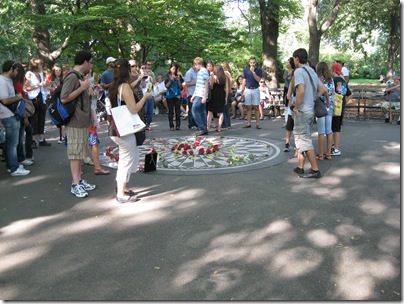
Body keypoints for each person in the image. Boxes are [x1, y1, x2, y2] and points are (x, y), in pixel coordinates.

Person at [108, 58, 152, 203]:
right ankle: (121, 193)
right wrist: (145, 97)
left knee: (125, 158)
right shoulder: (124, 87)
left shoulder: (115, 86)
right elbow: (134, 109)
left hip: (118, 128)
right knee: (126, 161)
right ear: (126, 70)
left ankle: (123, 188)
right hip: (124, 130)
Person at [60, 50, 96, 198]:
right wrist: (82, 88)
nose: (91, 65)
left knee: (80, 152)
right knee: (75, 153)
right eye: (91, 62)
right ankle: (75, 184)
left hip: (81, 121)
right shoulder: (72, 77)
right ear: (86, 62)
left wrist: (87, 91)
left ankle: (79, 181)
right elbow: (64, 98)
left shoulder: (79, 76)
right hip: (74, 121)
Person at [292, 48, 322, 178]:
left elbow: (301, 91)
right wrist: (313, 100)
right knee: (302, 138)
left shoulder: (298, 72)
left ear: (297, 58)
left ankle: (315, 170)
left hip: (302, 111)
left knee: (303, 140)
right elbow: (322, 89)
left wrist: (296, 107)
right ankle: (300, 167)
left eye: (294, 58)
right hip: (310, 110)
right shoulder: (312, 71)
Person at [0, 60, 30, 176]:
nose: (17, 72)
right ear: (11, 69)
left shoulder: (7, 80)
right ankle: (14, 168)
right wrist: (17, 98)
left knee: (10, 142)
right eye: (16, 70)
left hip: (11, 114)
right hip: (8, 115)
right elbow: (5, 100)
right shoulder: (2, 81)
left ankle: (11, 164)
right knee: (13, 143)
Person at [24, 58, 51, 148]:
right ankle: (33, 140)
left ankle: (41, 139)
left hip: (41, 98)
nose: (42, 66)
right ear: (35, 65)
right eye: (40, 64)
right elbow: (26, 88)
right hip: (33, 98)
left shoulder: (40, 74)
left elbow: (42, 87)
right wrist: (39, 85)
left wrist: (46, 88)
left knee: (41, 119)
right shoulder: (29, 74)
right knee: (34, 120)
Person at [13, 63, 34, 166]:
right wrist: (25, 116)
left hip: (19, 112)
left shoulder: (15, 83)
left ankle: (24, 156)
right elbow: (20, 100)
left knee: (22, 135)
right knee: (20, 137)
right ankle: (22, 157)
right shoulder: (16, 84)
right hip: (20, 113)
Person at [330, 62, 352, 156]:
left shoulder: (332, 81)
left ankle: (336, 148)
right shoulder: (342, 81)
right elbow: (350, 94)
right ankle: (336, 146)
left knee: (332, 128)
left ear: (333, 71)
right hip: (340, 107)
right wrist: (343, 102)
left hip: (333, 106)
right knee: (337, 127)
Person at [315, 62, 333, 161]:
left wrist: (318, 96)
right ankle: (329, 153)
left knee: (321, 131)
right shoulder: (331, 79)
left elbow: (324, 90)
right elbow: (331, 91)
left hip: (322, 105)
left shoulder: (319, 78)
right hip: (330, 106)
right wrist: (330, 102)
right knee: (329, 130)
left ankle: (321, 154)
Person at [241, 56, 263, 129]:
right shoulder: (246, 71)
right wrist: (242, 91)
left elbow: (258, 80)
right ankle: (248, 123)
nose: (252, 64)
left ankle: (258, 123)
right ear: (249, 63)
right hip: (248, 89)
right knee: (248, 107)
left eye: (254, 62)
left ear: (255, 63)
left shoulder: (259, 70)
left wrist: (253, 72)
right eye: (251, 63)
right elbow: (244, 80)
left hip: (255, 89)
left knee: (256, 106)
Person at [190, 57, 209, 135]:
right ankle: (204, 128)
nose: (195, 66)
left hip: (201, 94)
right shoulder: (200, 72)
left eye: (195, 65)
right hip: (198, 93)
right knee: (202, 111)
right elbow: (198, 85)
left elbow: (206, 84)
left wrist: (204, 96)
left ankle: (202, 127)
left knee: (194, 109)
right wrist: (193, 95)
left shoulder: (204, 71)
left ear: (199, 64)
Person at [207, 65, 227, 132]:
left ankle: (208, 127)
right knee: (221, 112)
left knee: (210, 112)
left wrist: (211, 77)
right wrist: (226, 98)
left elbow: (211, 87)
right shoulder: (224, 78)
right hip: (222, 94)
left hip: (214, 95)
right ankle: (219, 127)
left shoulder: (214, 77)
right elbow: (226, 89)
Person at [164, 63, 183, 130]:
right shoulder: (167, 76)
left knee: (178, 111)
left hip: (177, 95)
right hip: (170, 95)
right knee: (171, 111)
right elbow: (166, 86)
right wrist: (171, 80)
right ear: (170, 68)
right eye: (173, 69)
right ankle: (171, 125)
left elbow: (181, 88)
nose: (174, 70)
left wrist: (178, 80)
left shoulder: (179, 76)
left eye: (175, 69)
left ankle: (178, 125)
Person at [100, 56, 116, 125]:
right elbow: (102, 86)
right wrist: (112, 84)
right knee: (109, 113)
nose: (114, 63)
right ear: (109, 63)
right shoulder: (105, 74)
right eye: (113, 62)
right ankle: (110, 128)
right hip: (109, 96)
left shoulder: (116, 72)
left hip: (117, 95)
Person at [140, 63, 155, 131]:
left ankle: (148, 125)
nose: (143, 69)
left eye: (144, 68)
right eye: (142, 68)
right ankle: (143, 125)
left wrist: (151, 75)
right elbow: (143, 86)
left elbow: (154, 83)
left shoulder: (149, 76)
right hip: (143, 95)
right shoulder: (139, 77)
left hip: (150, 95)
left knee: (150, 111)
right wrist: (142, 78)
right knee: (144, 111)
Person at [184, 61, 198, 130]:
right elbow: (187, 83)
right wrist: (196, 83)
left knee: (196, 109)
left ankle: (196, 123)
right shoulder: (189, 72)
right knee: (192, 109)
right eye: (196, 65)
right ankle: (191, 123)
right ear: (193, 65)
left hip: (197, 93)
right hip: (191, 93)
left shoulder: (198, 72)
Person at [283, 57, 295, 127]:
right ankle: (286, 121)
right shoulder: (286, 72)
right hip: (286, 89)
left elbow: (291, 79)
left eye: (287, 62)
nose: (286, 63)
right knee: (286, 105)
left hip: (292, 89)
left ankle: (291, 121)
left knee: (292, 104)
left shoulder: (295, 71)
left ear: (291, 64)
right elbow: (286, 78)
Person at [221, 61, 233, 129]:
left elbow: (231, 80)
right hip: (227, 91)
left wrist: (228, 87)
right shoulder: (224, 73)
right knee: (226, 108)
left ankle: (225, 124)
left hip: (227, 92)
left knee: (224, 108)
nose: (222, 68)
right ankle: (228, 124)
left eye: (223, 67)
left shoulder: (226, 73)